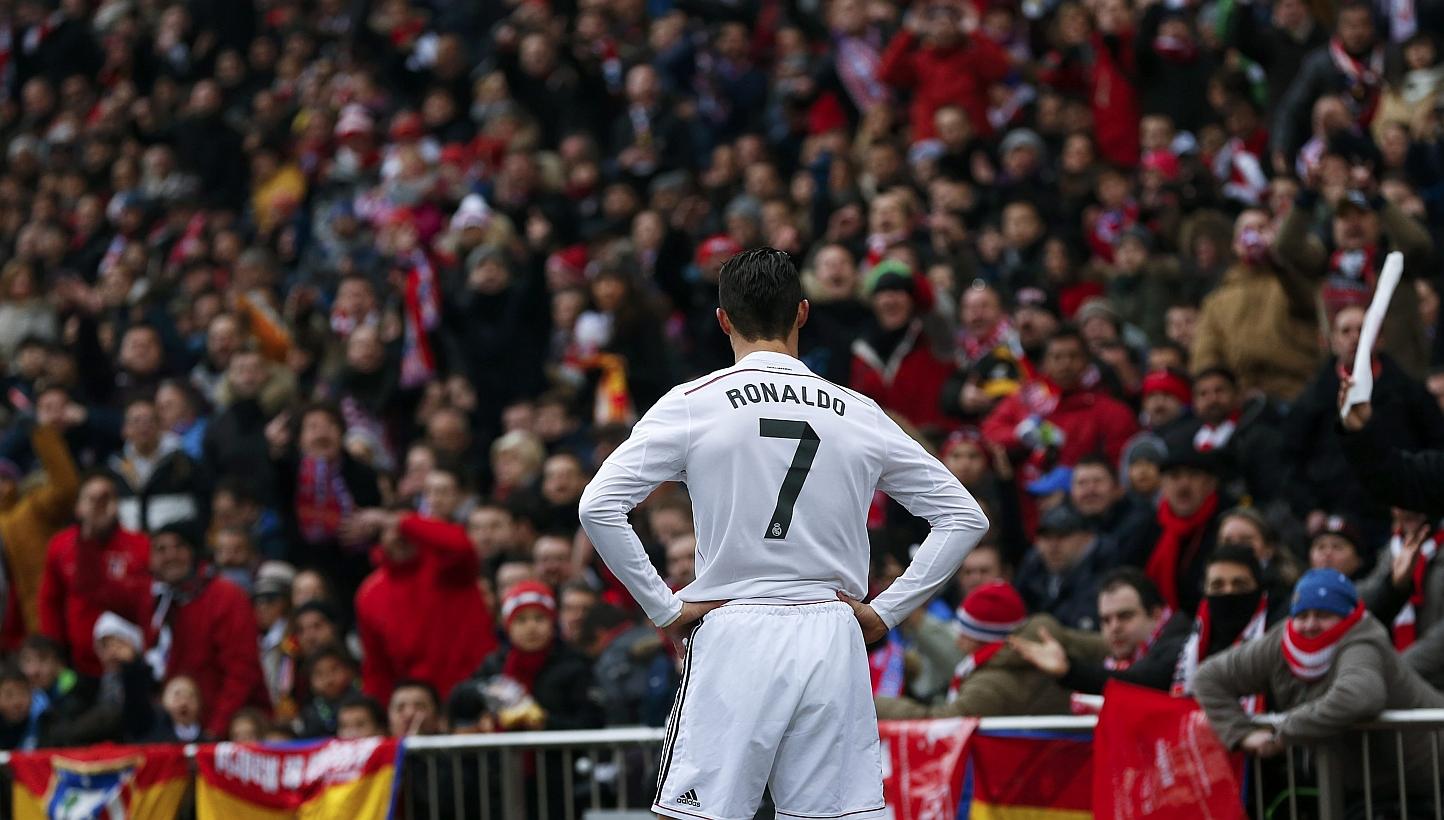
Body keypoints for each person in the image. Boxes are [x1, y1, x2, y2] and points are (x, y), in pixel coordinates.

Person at [580, 247, 988, 820]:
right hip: (833, 633)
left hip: (735, 627)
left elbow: (599, 506)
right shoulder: (858, 410)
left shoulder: (692, 404)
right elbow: (964, 516)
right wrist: (887, 611)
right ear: (802, 312)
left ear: (723, 319)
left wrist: (665, 609)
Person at [1196, 569, 1444, 798]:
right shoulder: (1282, 640)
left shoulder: (1362, 639)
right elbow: (1208, 677)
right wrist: (1241, 733)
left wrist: (1285, 732)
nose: (1310, 625)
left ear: (1347, 616)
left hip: (1424, 780)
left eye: (1323, 615)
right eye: (1302, 615)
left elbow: (1361, 695)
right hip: (1362, 788)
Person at [80, 519, 269, 737]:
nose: (170, 555)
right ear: (150, 559)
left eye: (179, 547)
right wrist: (88, 536)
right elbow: (94, 590)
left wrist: (213, 732)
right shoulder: (151, 597)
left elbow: (242, 673)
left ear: (193, 552)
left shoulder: (226, 596)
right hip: (175, 731)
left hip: (227, 732)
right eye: (160, 549)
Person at [875, 580, 1105, 718]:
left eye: (965, 635)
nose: (958, 642)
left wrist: (875, 705)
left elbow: (938, 722)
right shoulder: (1051, 636)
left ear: (984, 638)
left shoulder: (989, 684)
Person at [349, 506, 499, 704]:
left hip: (477, 691)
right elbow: (378, 668)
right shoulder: (369, 594)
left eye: (404, 530)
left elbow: (461, 545)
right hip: (423, 706)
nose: (398, 536)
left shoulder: (448, 566)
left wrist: (399, 520)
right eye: (389, 530)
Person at [39, 473, 150, 677]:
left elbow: (146, 606)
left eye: (106, 498)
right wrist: (55, 653)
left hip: (130, 663)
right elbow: (50, 603)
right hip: (79, 665)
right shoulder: (61, 546)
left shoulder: (141, 545)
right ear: (78, 507)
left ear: (117, 505)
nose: (99, 506)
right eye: (92, 499)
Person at [1014, 504, 1113, 630]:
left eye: (1062, 536)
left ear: (1086, 539)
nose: (1053, 546)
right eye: (1047, 537)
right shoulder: (1031, 570)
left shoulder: (1101, 575)